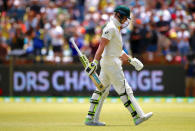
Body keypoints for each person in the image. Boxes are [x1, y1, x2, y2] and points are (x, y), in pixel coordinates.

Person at [84, 5, 153, 126]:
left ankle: (91, 118)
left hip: (109, 62)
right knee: (125, 90)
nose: (126, 21)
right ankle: (138, 116)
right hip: (112, 63)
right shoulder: (111, 28)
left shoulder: (115, 28)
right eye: (125, 18)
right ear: (119, 16)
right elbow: (101, 46)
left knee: (101, 91)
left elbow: (114, 48)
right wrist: (95, 61)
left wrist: (130, 59)